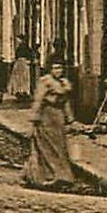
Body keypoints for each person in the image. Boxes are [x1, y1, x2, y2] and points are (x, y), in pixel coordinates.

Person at [24, 57, 77, 190]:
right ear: (50, 69)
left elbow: (66, 103)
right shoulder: (45, 81)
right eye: (55, 68)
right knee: (46, 147)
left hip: (58, 117)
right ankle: (47, 177)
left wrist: (70, 119)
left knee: (60, 147)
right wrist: (33, 120)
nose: (58, 71)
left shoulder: (64, 83)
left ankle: (63, 176)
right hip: (46, 116)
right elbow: (38, 101)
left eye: (60, 68)